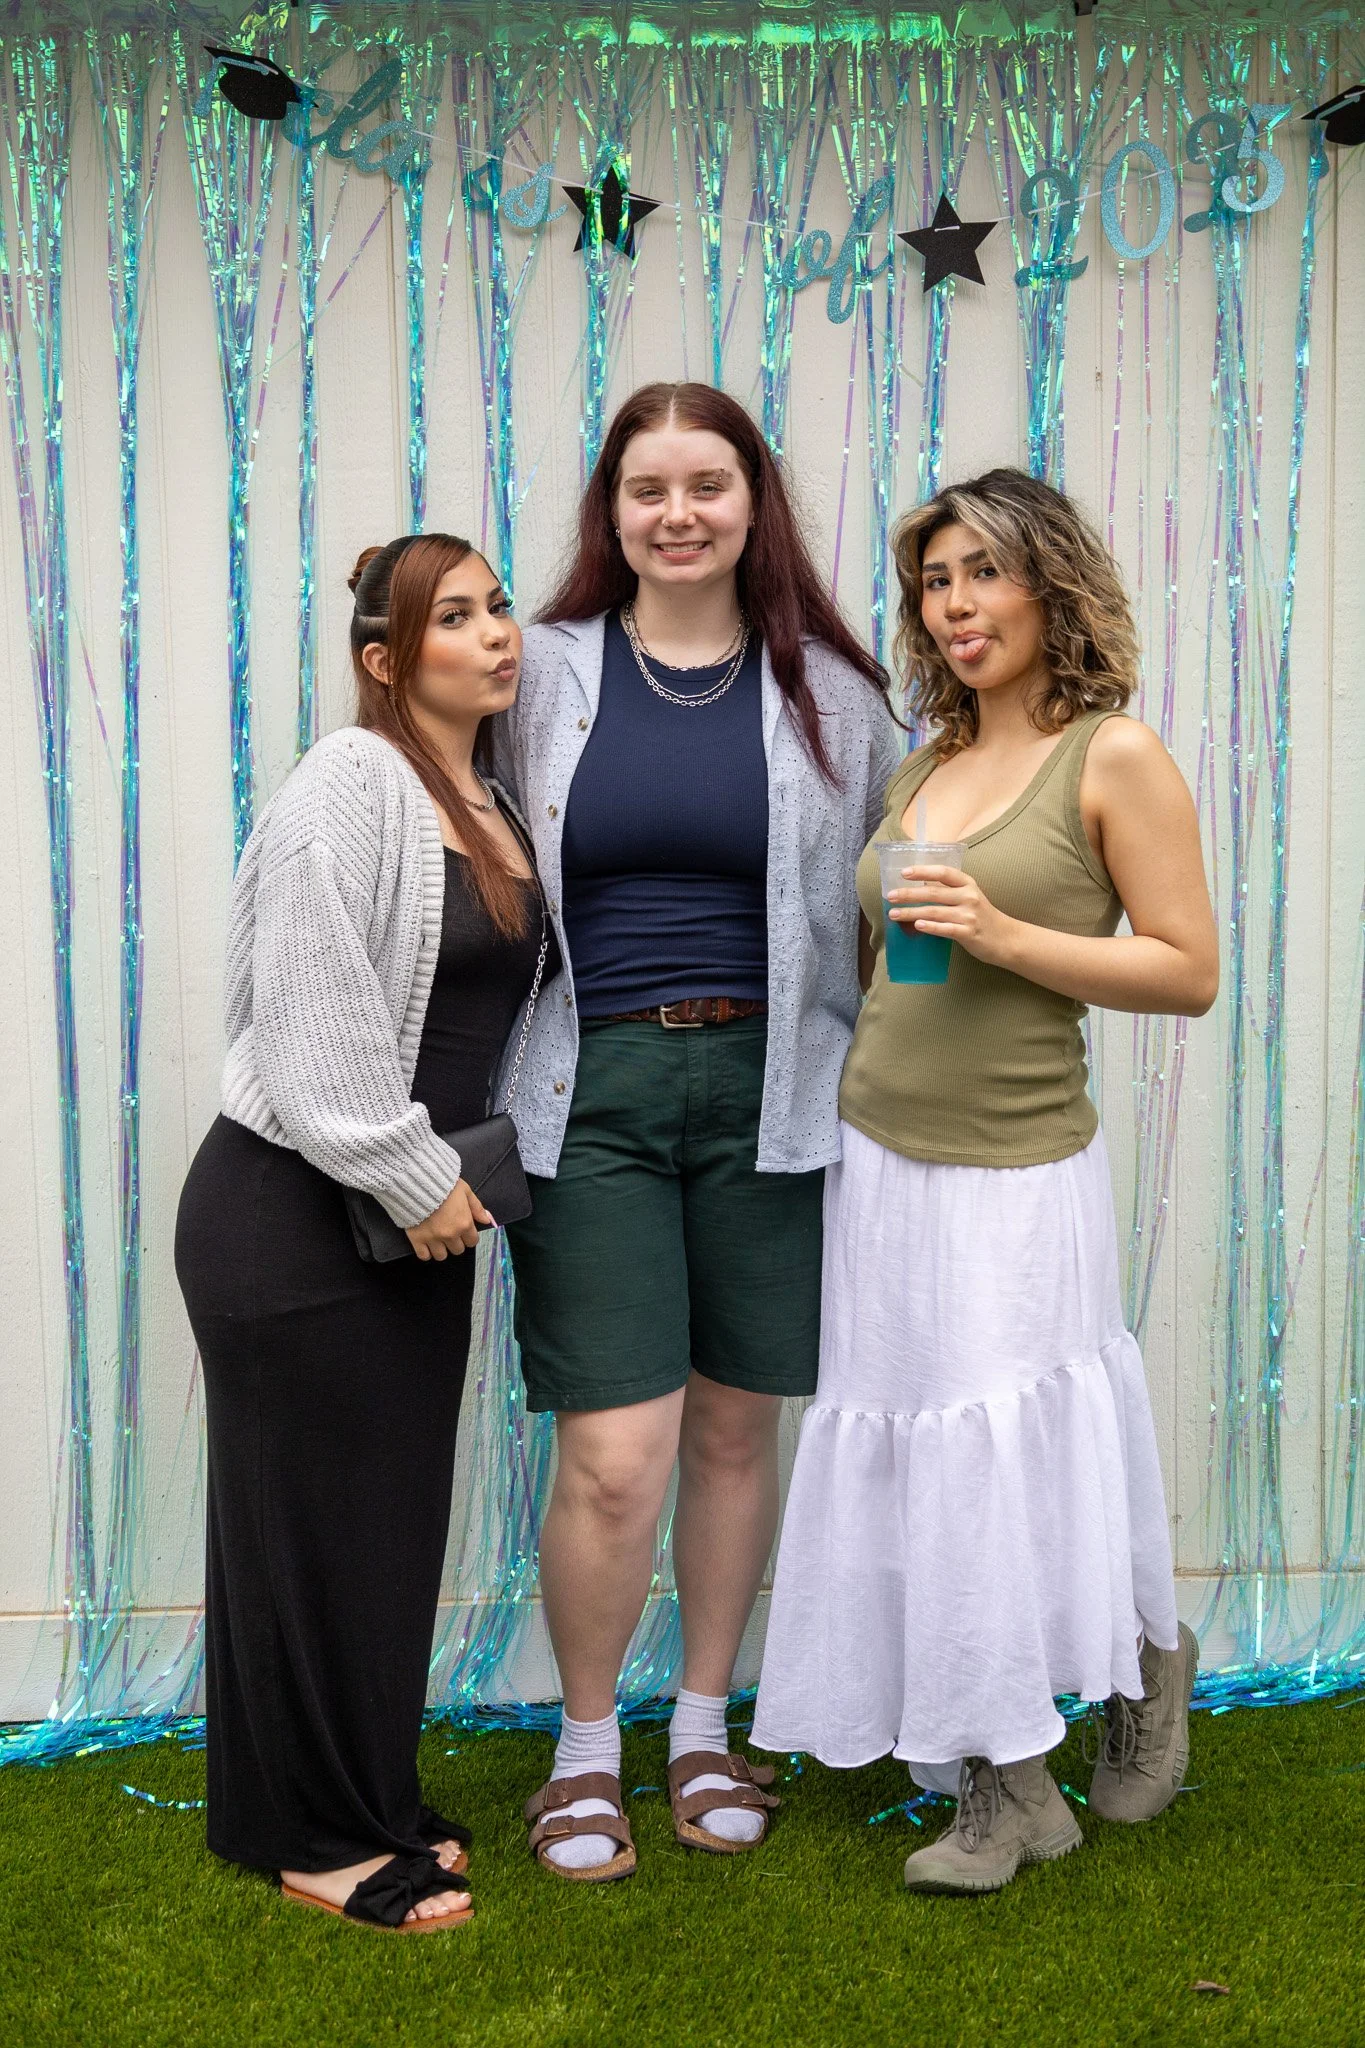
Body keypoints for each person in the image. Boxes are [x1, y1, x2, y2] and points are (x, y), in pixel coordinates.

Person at [753, 467, 1219, 1895]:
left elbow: (1187, 970)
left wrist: (1011, 937)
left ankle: (1147, 1664)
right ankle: (1005, 1775)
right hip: (884, 1161)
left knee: (1017, 1442)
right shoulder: (924, 766)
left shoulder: (1113, 756)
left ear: (1050, 584)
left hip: (1020, 1171)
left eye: (982, 575)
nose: (954, 607)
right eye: (935, 583)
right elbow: (892, 973)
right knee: (921, 1454)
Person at [492, 381, 900, 1878]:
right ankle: (586, 1748)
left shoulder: (837, 698)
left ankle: (706, 1726)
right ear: (611, 510)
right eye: (647, 488)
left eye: (707, 485)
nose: (678, 514)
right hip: (584, 1094)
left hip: (775, 1098)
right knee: (617, 1450)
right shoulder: (534, 672)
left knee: (737, 1426)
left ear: (752, 503)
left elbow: (878, 915)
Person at [175, 533, 558, 1930]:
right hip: (295, 1217)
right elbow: (312, 1019)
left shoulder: (489, 793)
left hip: (412, 1225)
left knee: (379, 1529)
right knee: (304, 1533)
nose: (496, 634)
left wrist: (437, 1191)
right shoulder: (354, 781)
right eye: (455, 619)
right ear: (384, 663)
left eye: (499, 606)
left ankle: (365, 1798)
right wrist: (413, 1176)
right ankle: (314, 1839)